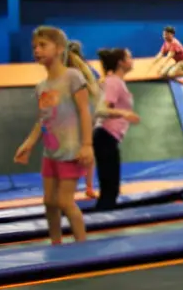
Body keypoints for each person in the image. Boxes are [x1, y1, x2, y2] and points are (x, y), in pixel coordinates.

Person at [14, 26, 99, 245]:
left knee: (64, 201)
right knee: (49, 202)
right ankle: (56, 245)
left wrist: (87, 144)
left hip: (70, 151)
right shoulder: (42, 86)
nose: (37, 50)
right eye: (34, 47)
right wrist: (29, 143)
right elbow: (43, 120)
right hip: (50, 153)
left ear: (59, 48)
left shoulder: (72, 76)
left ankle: (82, 246)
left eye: (43, 45)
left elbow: (84, 111)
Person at [93, 47, 140, 210]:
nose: (132, 60)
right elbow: (101, 110)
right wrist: (125, 113)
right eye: (129, 57)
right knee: (110, 188)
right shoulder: (113, 81)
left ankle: (102, 217)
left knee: (110, 187)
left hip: (108, 138)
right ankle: (102, 221)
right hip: (105, 136)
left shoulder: (116, 81)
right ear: (121, 62)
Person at [68, 40, 101, 199]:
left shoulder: (66, 72)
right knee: (89, 152)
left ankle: (70, 186)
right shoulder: (87, 69)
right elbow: (99, 84)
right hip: (88, 113)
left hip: (74, 114)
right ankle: (89, 187)